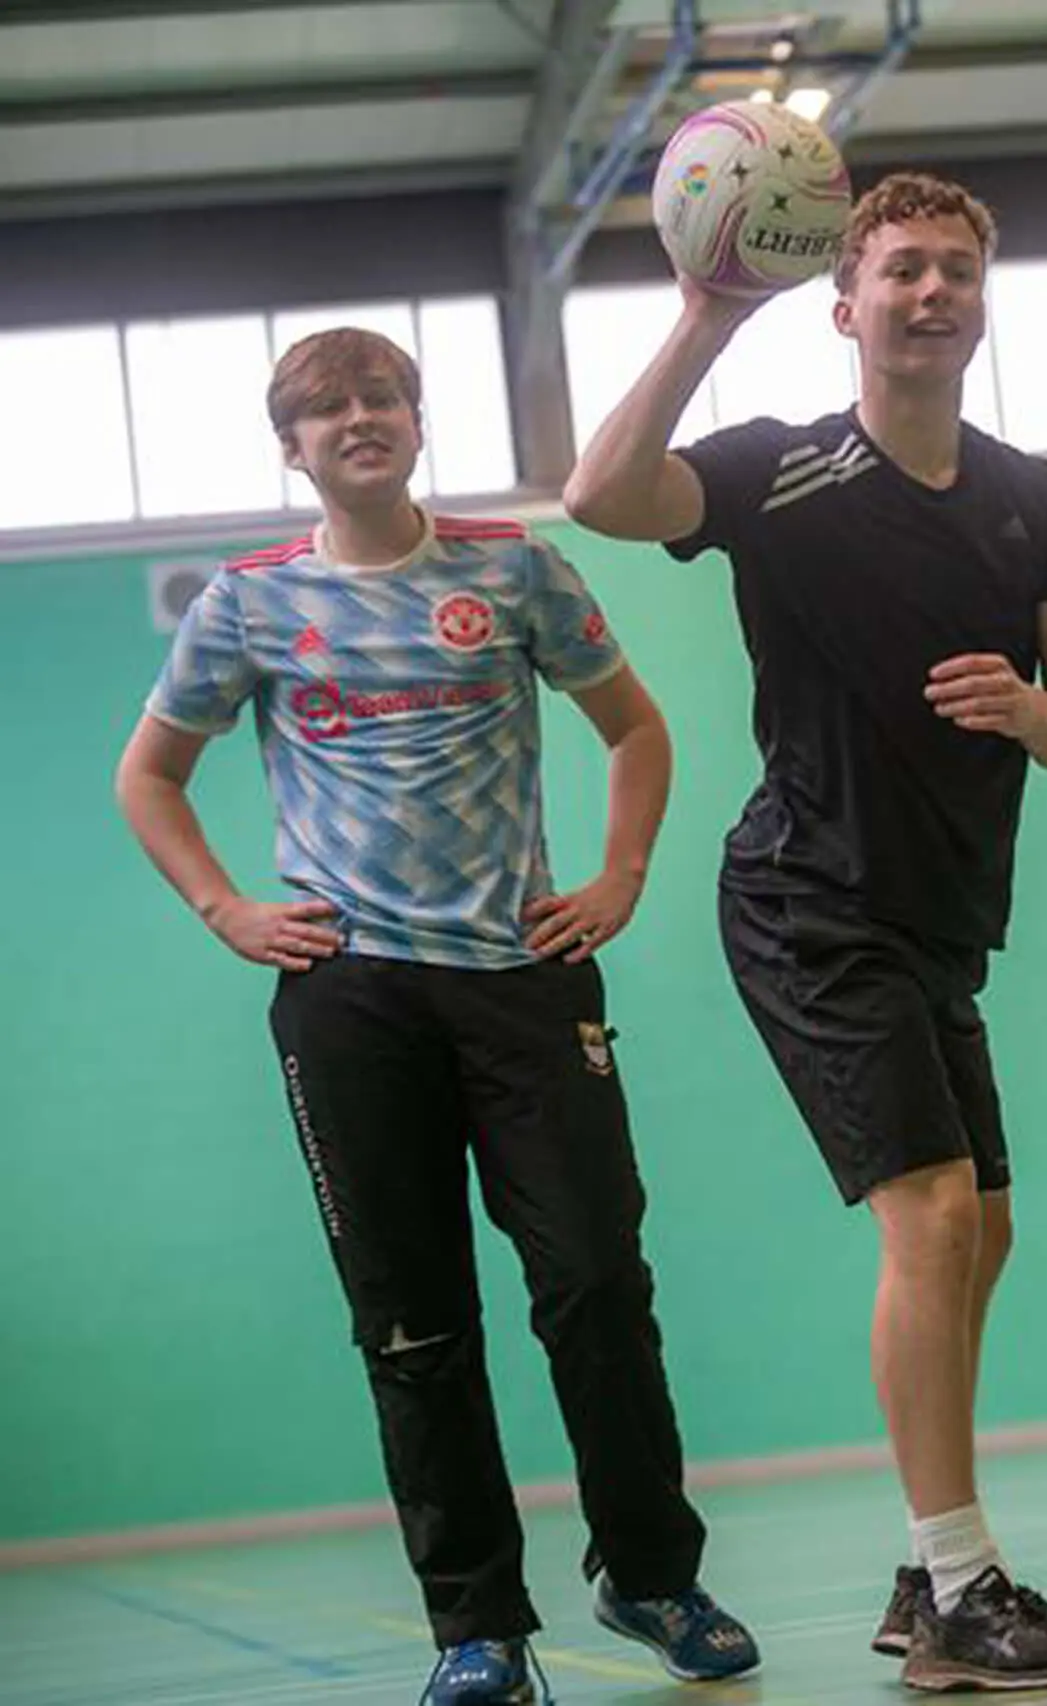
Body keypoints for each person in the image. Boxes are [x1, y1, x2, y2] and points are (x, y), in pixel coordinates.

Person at [112, 328, 759, 1704]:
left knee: (594, 1281)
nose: (359, 420)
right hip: (353, 1006)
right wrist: (230, 911)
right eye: (326, 408)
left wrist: (620, 875)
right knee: (412, 1322)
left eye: (381, 397)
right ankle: (480, 1631)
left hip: (523, 982)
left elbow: (635, 728)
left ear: (416, 419)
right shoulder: (244, 606)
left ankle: (649, 1573)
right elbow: (149, 777)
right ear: (291, 445)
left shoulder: (513, 567)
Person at [563, 172, 1047, 1692]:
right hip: (808, 898)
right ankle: (962, 1587)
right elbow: (600, 496)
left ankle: (920, 1569)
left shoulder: (1039, 503)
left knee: (981, 1232)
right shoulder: (778, 471)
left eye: (957, 268)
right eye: (903, 270)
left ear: (982, 301)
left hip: (944, 920)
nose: (932, 291)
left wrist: (1027, 709)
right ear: (848, 303)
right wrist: (702, 315)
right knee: (935, 1215)